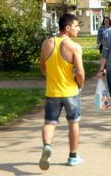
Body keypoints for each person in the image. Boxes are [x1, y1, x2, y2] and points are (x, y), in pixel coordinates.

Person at [38, 13, 85, 170]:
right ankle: (73, 156)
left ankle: (47, 146)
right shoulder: (74, 46)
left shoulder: (46, 43)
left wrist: (51, 77)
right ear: (68, 27)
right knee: (73, 122)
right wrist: (80, 84)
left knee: (49, 122)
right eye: (77, 26)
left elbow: (42, 65)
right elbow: (79, 73)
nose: (78, 29)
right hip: (70, 91)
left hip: (52, 92)